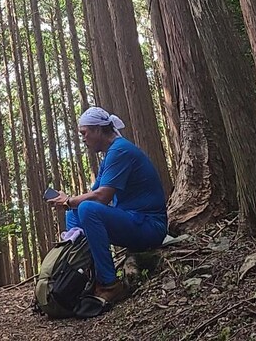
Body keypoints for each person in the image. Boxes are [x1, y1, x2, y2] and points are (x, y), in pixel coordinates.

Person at [49, 106, 168, 311]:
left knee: (85, 209)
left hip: (150, 226)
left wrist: (69, 200)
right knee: (75, 213)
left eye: (84, 133)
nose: (83, 139)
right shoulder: (109, 156)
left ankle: (109, 283)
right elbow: (93, 194)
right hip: (133, 221)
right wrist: (68, 202)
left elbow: (102, 197)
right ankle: (81, 276)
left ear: (98, 130)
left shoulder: (121, 150)